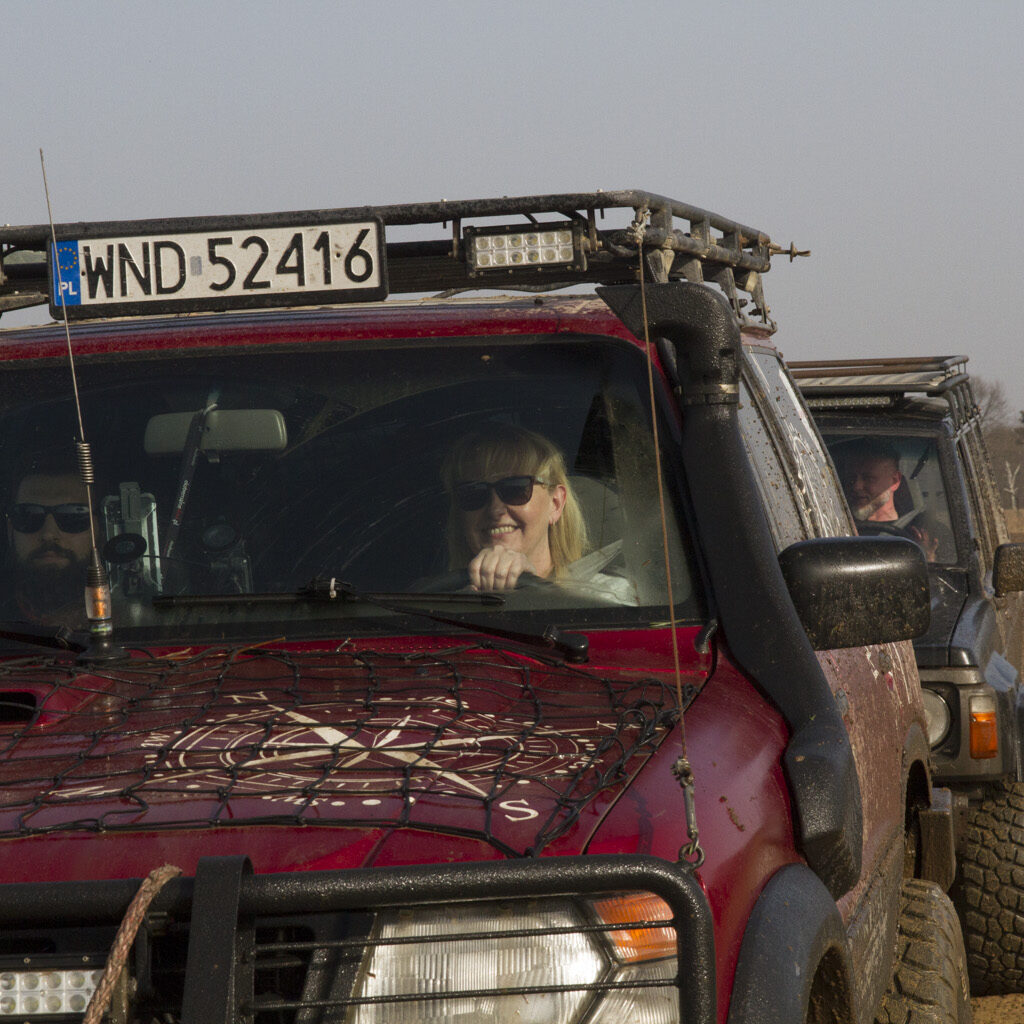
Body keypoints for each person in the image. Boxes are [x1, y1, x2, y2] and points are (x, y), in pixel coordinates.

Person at [440, 424, 635, 603]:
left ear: (555, 504)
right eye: (473, 493)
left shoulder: (609, 598)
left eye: (515, 489)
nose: (495, 509)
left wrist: (534, 590)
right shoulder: (436, 609)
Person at [4, 453, 93, 626]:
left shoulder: (136, 621)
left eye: (72, 516)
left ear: (100, 528)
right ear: (10, 530)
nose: (49, 534)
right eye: (28, 516)